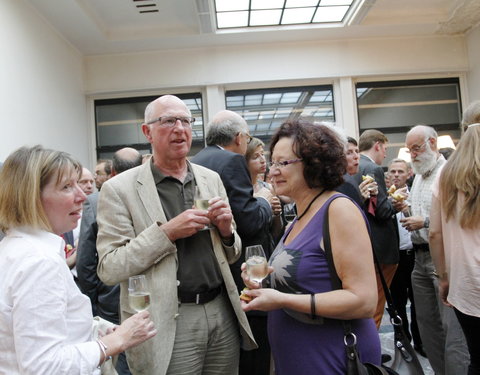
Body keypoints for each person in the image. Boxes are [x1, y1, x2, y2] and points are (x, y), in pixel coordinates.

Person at [96, 95, 256, 375]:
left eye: (186, 121)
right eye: (169, 121)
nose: (180, 128)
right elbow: (110, 267)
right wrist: (167, 233)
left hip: (221, 309)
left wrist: (227, 230)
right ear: (147, 132)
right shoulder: (119, 189)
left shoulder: (210, 178)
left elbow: (232, 251)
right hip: (169, 316)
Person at [0, 145, 156, 374]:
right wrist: (116, 341)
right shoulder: (39, 262)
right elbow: (43, 366)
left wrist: (93, 330)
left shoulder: (15, 247)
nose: (83, 196)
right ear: (31, 196)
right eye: (66, 187)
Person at [241, 120, 380, 375]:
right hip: (299, 356)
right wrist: (265, 284)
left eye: (283, 163)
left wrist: (281, 299)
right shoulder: (299, 216)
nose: (272, 172)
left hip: (331, 356)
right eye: (273, 163)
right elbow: (311, 279)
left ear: (314, 163)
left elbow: (364, 300)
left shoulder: (338, 210)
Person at [191, 110, 275, 375]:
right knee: (255, 345)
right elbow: (248, 221)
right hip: (243, 265)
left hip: (209, 271)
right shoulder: (231, 161)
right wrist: (262, 199)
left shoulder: (196, 160)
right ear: (239, 137)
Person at [401, 125, 468, 375]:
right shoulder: (418, 175)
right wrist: (406, 211)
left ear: (432, 143)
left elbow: (457, 217)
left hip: (444, 258)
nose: (413, 154)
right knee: (427, 327)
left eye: (416, 148)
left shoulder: (448, 173)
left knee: (453, 331)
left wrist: (425, 222)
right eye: (410, 150)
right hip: (418, 258)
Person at [77, 147, 143, 375]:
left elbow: (85, 259)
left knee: (120, 360)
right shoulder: (151, 195)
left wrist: (92, 300)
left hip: (111, 298)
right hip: (145, 294)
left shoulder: (95, 201)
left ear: (112, 171)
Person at [429, 122, 480, 375]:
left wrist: (443, 277)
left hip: (465, 283)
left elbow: (434, 233)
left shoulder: (445, 175)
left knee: (477, 358)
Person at [355, 129, 399, 329]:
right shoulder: (372, 169)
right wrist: (393, 203)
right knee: (376, 305)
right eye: (385, 149)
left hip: (362, 246)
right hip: (380, 248)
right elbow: (381, 210)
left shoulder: (353, 168)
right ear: (378, 145)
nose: (386, 154)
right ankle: (371, 354)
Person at [387, 158, 425, 356]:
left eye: (400, 171)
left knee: (419, 302)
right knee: (397, 303)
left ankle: (421, 342)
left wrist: (406, 207)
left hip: (415, 254)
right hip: (395, 257)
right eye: (392, 171)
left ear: (409, 174)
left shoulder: (416, 196)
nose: (396, 175)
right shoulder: (383, 200)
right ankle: (403, 341)